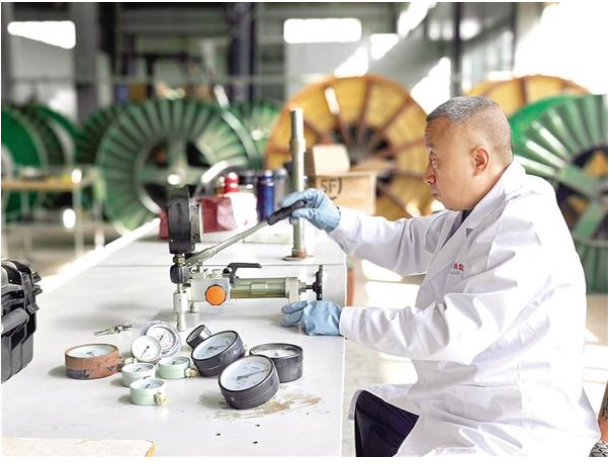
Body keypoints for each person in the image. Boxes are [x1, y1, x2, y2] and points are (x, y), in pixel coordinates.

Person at [279, 96, 600, 456]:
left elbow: (448, 332)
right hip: (468, 400)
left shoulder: (522, 225)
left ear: (479, 160)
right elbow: (405, 242)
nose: (427, 175)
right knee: (371, 407)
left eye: (436, 160)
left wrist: (344, 320)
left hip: (513, 425)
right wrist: (337, 219)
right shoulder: (480, 208)